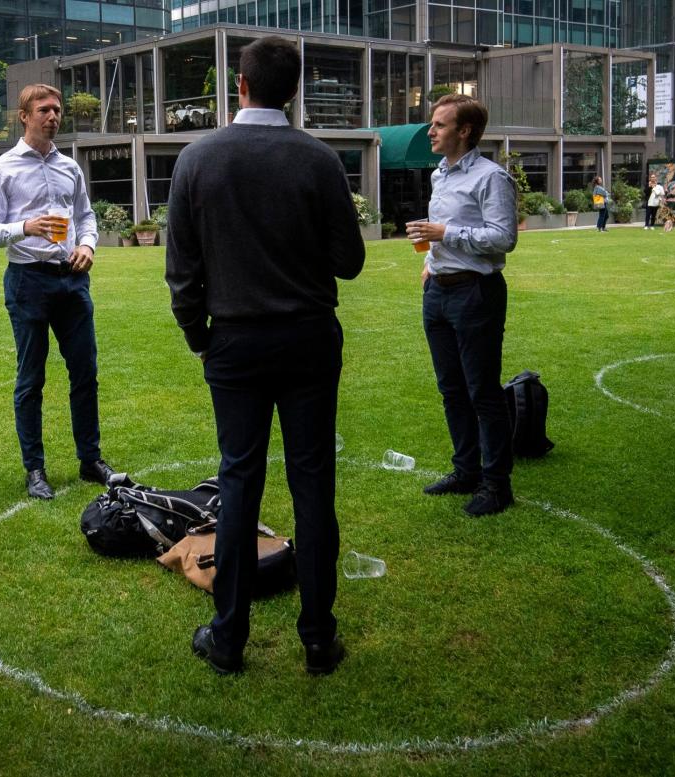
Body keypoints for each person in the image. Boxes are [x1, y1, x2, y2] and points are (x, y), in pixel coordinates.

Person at [165, 36, 365, 676]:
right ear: (294, 90)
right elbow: (350, 262)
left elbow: (181, 271)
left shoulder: (199, 158)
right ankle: (317, 637)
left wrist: (202, 337)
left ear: (240, 86)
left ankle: (228, 640)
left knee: (239, 479)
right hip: (307, 337)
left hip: (236, 342)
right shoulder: (319, 160)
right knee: (312, 483)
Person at [0, 83, 115, 500]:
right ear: (24, 116)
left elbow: (86, 217)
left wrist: (88, 246)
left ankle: (90, 460)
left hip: (72, 279)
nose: (53, 116)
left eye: (57, 110)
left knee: (85, 373)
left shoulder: (69, 168)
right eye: (44, 110)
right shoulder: (3, 169)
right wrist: (26, 227)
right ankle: (35, 469)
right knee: (31, 378)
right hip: (28, 281)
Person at [405, 94, 517, 517]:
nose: (431, 131)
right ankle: (465, 470)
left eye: (438, 124)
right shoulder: (440, 175)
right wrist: (432, 263)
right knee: (451, 389)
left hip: (476, 293)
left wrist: (445, 234)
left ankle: (496, 484)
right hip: (439, 292)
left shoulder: (491, 178)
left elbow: (503, 237)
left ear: (464, 131)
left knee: (482, 391)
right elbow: (443, 236)